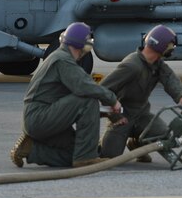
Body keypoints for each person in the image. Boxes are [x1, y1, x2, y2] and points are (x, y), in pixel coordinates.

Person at [10, 22, 123, 168]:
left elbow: (73, 101)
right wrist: (113, 100)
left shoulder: (62, 58)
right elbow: (85, 87)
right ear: (82, 44)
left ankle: (32, 150)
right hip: (40, 117)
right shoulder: (62, 60)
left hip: (43, 117)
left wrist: (109, 113)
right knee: (88, 101)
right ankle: (85, 158)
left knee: (80, 151)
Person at [99, 24, 182, 162]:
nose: (172, 48)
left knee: (164, 134)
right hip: (122, 116)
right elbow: (103, 89)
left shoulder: (157, 63)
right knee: (109, 158)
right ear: (162, 45)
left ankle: (136, 144)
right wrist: (115, 116)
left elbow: (169, 78)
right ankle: (98, 147)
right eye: (171, 45)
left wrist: (181, 96)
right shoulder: (132, 66)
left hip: (142, 114)